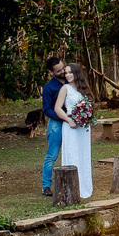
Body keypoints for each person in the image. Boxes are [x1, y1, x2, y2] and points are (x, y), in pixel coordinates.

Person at [53, 62, 94, 198]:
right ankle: (71, 188)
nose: (68, 75)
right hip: (71, 126)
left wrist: (87, 116)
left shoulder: (83, 89)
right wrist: (69, 120)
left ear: (76, 73)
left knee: (83, 154)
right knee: (72, 154)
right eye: (66, 73)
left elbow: (89, 105)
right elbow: (57, 108)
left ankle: (84, 186)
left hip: (83, 128)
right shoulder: (65, 88)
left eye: (70, 72)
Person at [40, 57, 67, 195]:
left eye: (63, 68)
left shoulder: (71, 81)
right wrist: (63, 117)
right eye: (58, 70)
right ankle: (46, 186)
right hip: (56, 123)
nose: (62, 71)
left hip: (72, 122)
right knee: (52, 155)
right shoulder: (49, 88)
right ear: (51, 72)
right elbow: (47, 109)